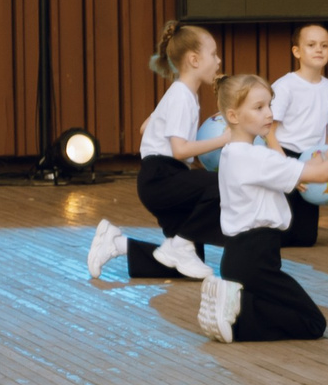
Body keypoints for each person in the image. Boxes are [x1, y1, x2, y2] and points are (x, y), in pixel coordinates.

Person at [196, 73, 328, 343]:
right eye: (258, 108)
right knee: (313, 324)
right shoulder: (257, 158)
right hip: (256, 259)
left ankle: (234, 303)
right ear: (233, 116)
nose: (269, 114)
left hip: (240, 257)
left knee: (288, 311)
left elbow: (313, 167)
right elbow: (320, 176)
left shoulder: (232, 153)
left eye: (269, 105)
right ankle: (237, 318)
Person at [89, 19, 230, 283]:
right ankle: (181, 244)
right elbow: (179, 150)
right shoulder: (181, 96)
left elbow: (145, 128)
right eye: (213, 54)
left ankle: (117, 244)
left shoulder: (179, 94)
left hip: (160, 176)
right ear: (194, 60)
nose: (219, 60)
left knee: (184, 265)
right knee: (223, 184)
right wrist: (224, 139)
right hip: (163, 178)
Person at [269, 23, 328, 250]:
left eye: (324, 45)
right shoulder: (284, 86)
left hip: (313, 158)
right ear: (297, 51)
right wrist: (286, 166)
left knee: (306, 239)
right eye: (311, 45)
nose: (319, 50)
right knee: (279, 234)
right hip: (284, 154)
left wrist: (326, 161)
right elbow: (268, 131)